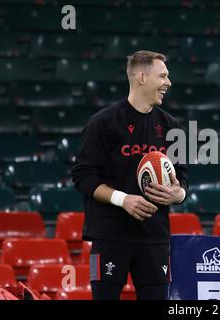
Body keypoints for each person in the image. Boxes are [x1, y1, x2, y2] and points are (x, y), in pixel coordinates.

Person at [71, 50, 188, 300]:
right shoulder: (102, 123)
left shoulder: (173, 126)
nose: (168, 83)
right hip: (110, 234)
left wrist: (178, 194)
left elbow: (183, 180)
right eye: (163, 76)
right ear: (142, 77)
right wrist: (123, 199)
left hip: (155, 237)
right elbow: (82, 176)